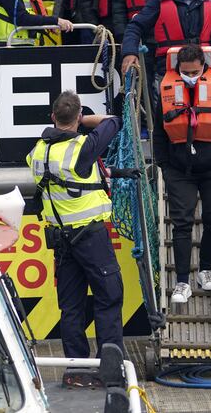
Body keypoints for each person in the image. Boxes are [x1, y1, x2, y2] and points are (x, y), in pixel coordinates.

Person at [26, 90, 125, 367]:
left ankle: (77, 370)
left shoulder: (36, 153)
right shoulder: (82, 148)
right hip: (90, 237)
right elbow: (113, 121)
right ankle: (109, 366)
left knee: (71, 307)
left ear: (52, 116)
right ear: (78, 117)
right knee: (109, 297)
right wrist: (85, 121)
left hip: (62, 242)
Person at [152, 44, 211, 304]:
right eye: (185, 71)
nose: (190, 75)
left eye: (195, 70)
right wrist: (164, 166)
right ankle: (182, 281)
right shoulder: (167, 89)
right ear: (178, 68)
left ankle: (205, 269)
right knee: (182, 222)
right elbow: (159, 130)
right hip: (179, 170)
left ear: (204, 66)